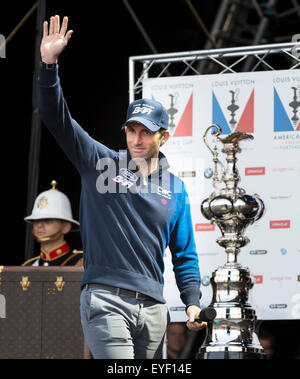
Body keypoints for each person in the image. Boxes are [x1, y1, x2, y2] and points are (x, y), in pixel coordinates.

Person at [38, 15, 206, 359]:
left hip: (156, 309)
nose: (136, 138)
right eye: (131, 130)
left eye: (145, 131)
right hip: (106, 299)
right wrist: (49, 65)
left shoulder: (175, 189)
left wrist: (191, 302)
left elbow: (185, 255)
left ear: (164, 136)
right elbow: (57, 119)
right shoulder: (100, 162)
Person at [23, 180, 83, 266]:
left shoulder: (80, 263)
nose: (39, 225)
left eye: (47, 220)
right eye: (36, 221)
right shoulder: (28, 266)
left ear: (66, 227)